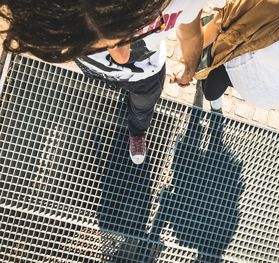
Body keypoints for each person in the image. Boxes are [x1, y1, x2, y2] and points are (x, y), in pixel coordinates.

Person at [0, 0, 224, 165]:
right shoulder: (58, 17)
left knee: (142, 109)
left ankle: (137, 132)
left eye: (127, 34)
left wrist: (189, 66)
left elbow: (191, 33)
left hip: (146, 75)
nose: (122, 58)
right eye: (93, 42)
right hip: (95, 70)